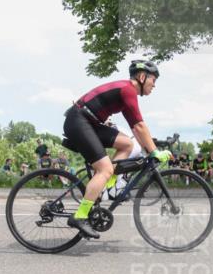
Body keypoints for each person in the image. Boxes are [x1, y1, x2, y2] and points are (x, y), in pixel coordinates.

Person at [61, 60, 170, 238]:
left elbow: (136, 128)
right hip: (79, 121)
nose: (154, 85)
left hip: (89, 122)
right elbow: (140, 126)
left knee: (127, 144)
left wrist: (150, 148)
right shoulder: (128, 90)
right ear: (142, 77)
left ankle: (106, 187)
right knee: (105, 169)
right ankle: (80, 216)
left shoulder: (127, 92)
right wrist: (155, 152)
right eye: (153, 79)